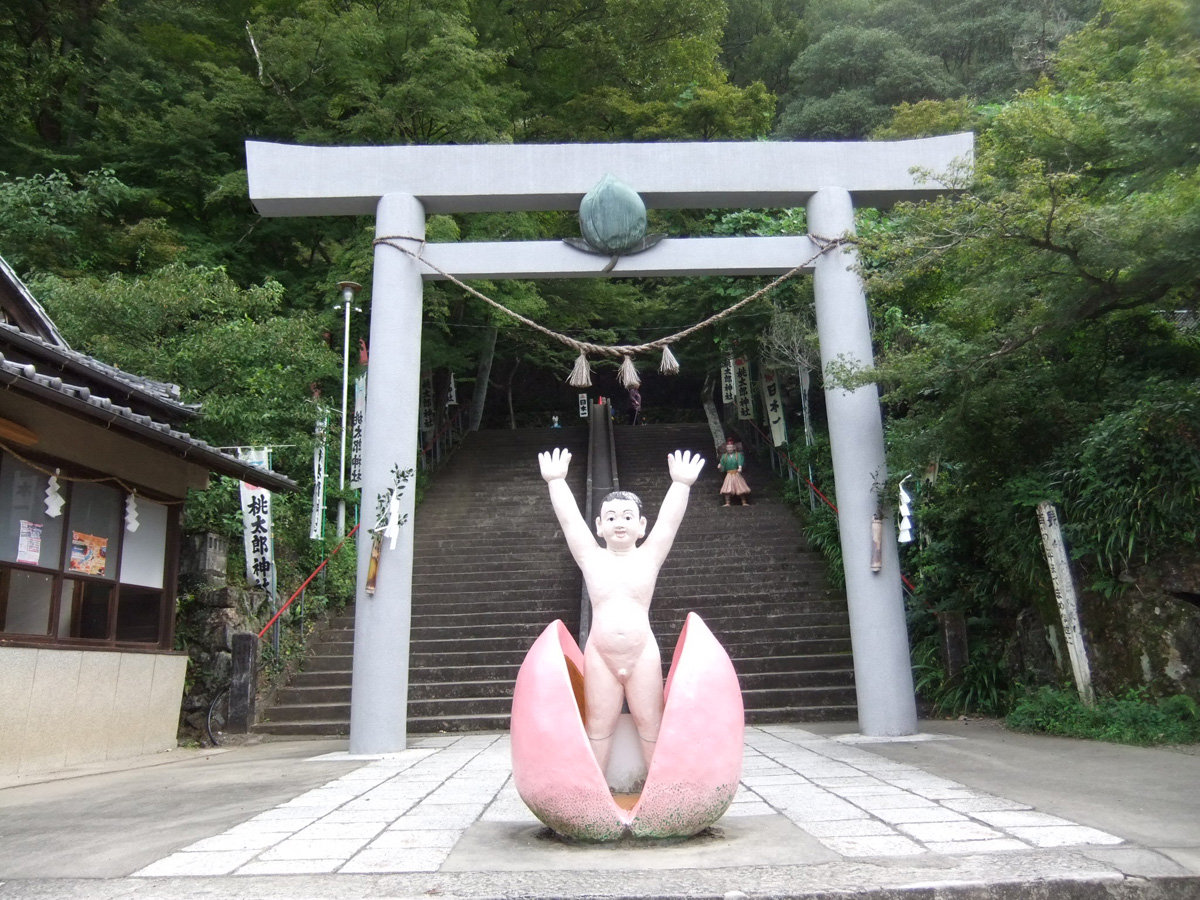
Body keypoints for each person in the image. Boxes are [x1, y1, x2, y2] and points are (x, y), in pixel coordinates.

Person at [537, 446, 705, 773]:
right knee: (598, 726)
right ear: (599, 526)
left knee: (651, 724)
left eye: (627, 517)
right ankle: (594, 791)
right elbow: (571, 523)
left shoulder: (649, 557)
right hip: (600, 652)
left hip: (642, 651)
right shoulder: (591, 558)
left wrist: (681, 485)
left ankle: (657, 790)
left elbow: (669, 524)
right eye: (611, 518)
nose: (619, 524)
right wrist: (556, 481)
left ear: (641, 525)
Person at [717, 437, 751, 506]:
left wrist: (740, 467)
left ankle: (744, 502)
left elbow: (740, 461)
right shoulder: (724, 456)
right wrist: (720, 465)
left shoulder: (738, 455)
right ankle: (727, 502)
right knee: (727, 488)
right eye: (728, 448)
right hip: (729, 473)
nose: (729, 449)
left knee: (741, 488)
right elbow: (722, 463)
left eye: (731, 447)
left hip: (736, 473)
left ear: (734, 447)